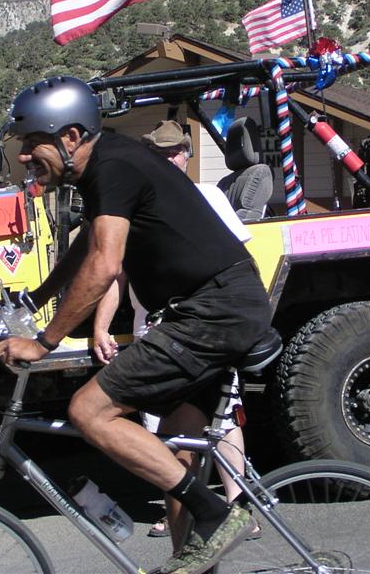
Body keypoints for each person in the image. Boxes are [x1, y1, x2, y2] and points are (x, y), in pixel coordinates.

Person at [0, 78, 271, 574]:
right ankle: (190, 561)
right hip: (212, 307)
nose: (25, 155)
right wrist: (39, 297)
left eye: (33, 142)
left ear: (70, 136)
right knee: (175, 457)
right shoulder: (106, 165)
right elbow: (87, 246)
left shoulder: (113, 167)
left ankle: (218, 514)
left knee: (88, 410)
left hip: (213, 310)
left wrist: (43, 343)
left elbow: (103, 265)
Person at [91, 120, 260, 549]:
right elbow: (115, 273)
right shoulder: (135, 199)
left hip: (199, 326)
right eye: (161, 152)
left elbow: (238, 256)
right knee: (167, 438)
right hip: (156, 330)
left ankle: (236, 507)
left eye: (177, 151)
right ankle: (189, 526)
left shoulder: (207, 196)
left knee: (222, 420)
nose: (170, 158)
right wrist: (100, 325)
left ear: (188, 153)